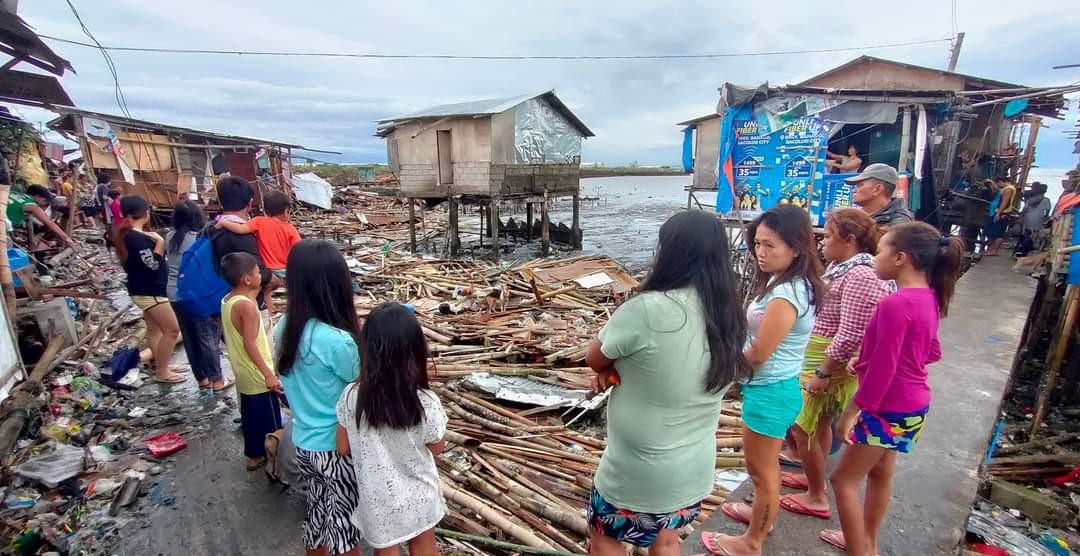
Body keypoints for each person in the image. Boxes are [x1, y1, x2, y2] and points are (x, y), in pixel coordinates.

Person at [585, 210, 751, 556]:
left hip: (637, 471)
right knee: (666, 538)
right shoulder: (729, 314)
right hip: (692, 467)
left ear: (669, 254)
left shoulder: (648, 309)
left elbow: (594, 357)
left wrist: (612, 368)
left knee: (606, 536)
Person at [820, 223, 962, 556]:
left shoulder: (895, 304)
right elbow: (931, 351)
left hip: (887, 407)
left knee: (843, 480)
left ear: (900, 258)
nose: (874, 259)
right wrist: (867, 360)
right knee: (881, 473)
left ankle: (861, 550)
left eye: (881, 251)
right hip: (914, 406)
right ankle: (865, 540)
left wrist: (851, 413)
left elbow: (884, 371)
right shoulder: (928, 296)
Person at [702, 204, 826, 556]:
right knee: (764, 470)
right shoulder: (790, 282)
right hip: (775, 387)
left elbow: (758, 354)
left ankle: (751, 542)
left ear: (797, 247)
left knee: (763, 473)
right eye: (757, 243)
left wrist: (716, 363)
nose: (761, 252)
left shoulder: (787, 294)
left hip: (771, 391)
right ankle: (762, 519)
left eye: (771, 245)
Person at [778, 209, 891, 521]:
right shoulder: (843, 267)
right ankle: (812, 478)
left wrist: (824, 371)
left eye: (828, 236)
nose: (822, 242)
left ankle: (816, 496)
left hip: (826, 359)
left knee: (804, 427)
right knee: (819, 423)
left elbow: (852, 331)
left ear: (850, 240)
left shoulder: (860, 276)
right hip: (820, 353)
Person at [336, 302, 446, 556]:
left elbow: (342, 447)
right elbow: (438, 448)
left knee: (386, 550)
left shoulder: (351, 396)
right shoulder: (424, 401)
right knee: (424, 546)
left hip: (377, 499)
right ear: (415, 350)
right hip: (420, 495)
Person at [276, 239, 362, 556]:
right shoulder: (336, 341)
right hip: (335, 449)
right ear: (336, 284)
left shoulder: (284, 328)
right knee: (345, 528)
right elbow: (362, 386)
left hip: (304, 443)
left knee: (319, 514)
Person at [220, 252, 283, 470]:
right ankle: (271, 453)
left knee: (251, 415)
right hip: (256, 372)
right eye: (257, 272)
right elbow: (250, 343)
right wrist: (268, 373)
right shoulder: (247, 306)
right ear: (247, 279)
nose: (260, 276)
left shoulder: (228, 300)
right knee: (269, 418)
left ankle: (254, 454)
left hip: (243, 372)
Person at [116, 195, 185, 384]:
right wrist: (160, 244)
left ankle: (161, 365)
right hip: (151, 291)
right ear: (145, 213)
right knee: (172, 330)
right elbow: (153, 265)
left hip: (142, 290)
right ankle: (162, 371)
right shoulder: (136, 239)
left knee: (154, 330)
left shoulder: (130, 236)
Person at [166, 201, 230, 392]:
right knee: (208, 337)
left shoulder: (170, 237)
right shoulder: (199, 240)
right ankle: (217, 380)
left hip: (174, 293)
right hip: (197, 294)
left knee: (190, 337)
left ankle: (202, 379)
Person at [212, 177, 282, 318]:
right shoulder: (243, 236)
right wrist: (275, 280)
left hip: (222, 301)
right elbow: (259, 274)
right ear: (250, 203)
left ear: (220, 201)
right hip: (248, 306)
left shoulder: (210, 228)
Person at [214, 190, 300, 279]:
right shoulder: (291, 229)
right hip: (285, 270)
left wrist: (223, 223)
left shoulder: (259, 221)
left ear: (265, 210)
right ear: (286, 212)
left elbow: (240, 229)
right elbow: (298, 250)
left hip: (266, 270)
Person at [848, 163, 913, 228]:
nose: (854, 190)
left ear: (877, 189)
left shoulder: (899, 224)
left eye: (860, 185)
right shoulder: (854, 216)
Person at [9, 185, 74, 247]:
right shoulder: (32, 205)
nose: (46, 203)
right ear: (37, 196)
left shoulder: (14, 193)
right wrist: (67, 239)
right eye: (45, 200)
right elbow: (50, 224)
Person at [1014, 182, 1052, 256]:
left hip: (1027, 218)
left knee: (1025, 235)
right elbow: (1047, 211)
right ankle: (1024, 250)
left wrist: (1020, 217)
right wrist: (1045, 217)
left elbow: (1024, 210)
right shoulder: (1046, 200)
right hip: (1038, 220)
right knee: (1033, 236)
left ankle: (1020, 249)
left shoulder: (1031, 199)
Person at [985, 177, 1019, 257]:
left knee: (998, 233)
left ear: (1001, 181)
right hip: (1000, 213)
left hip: (1002, 213)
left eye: (998, 183)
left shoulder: (1008, 189)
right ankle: (991, 249)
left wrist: (998, 213)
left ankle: (994, 250)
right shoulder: (1008, 188)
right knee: (993, 232)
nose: (998, 185)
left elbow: (1005, 202)